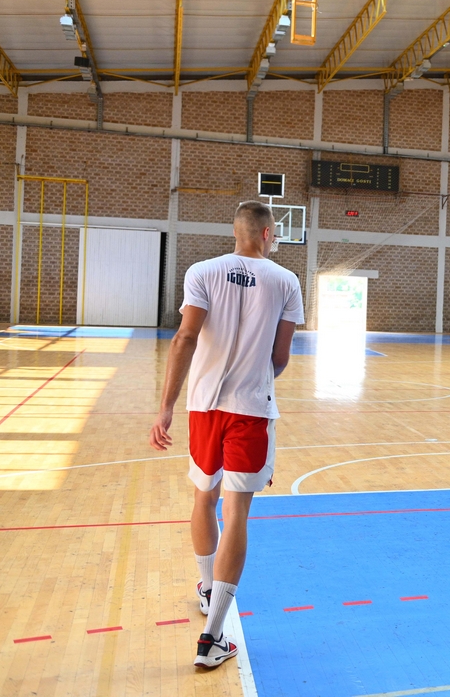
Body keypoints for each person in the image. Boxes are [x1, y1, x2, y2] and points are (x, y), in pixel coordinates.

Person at [148, 201, 303, 670]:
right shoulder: (286, 281)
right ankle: (212, 635)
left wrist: (166, 406)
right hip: (251, 410)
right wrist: (256, 375)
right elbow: (281, 357)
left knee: (203, 498)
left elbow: (184, 338)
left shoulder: (201, 271)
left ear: (237, 232)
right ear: (267, 234)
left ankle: (206, 587)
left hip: (202, 408)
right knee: (237, 511)